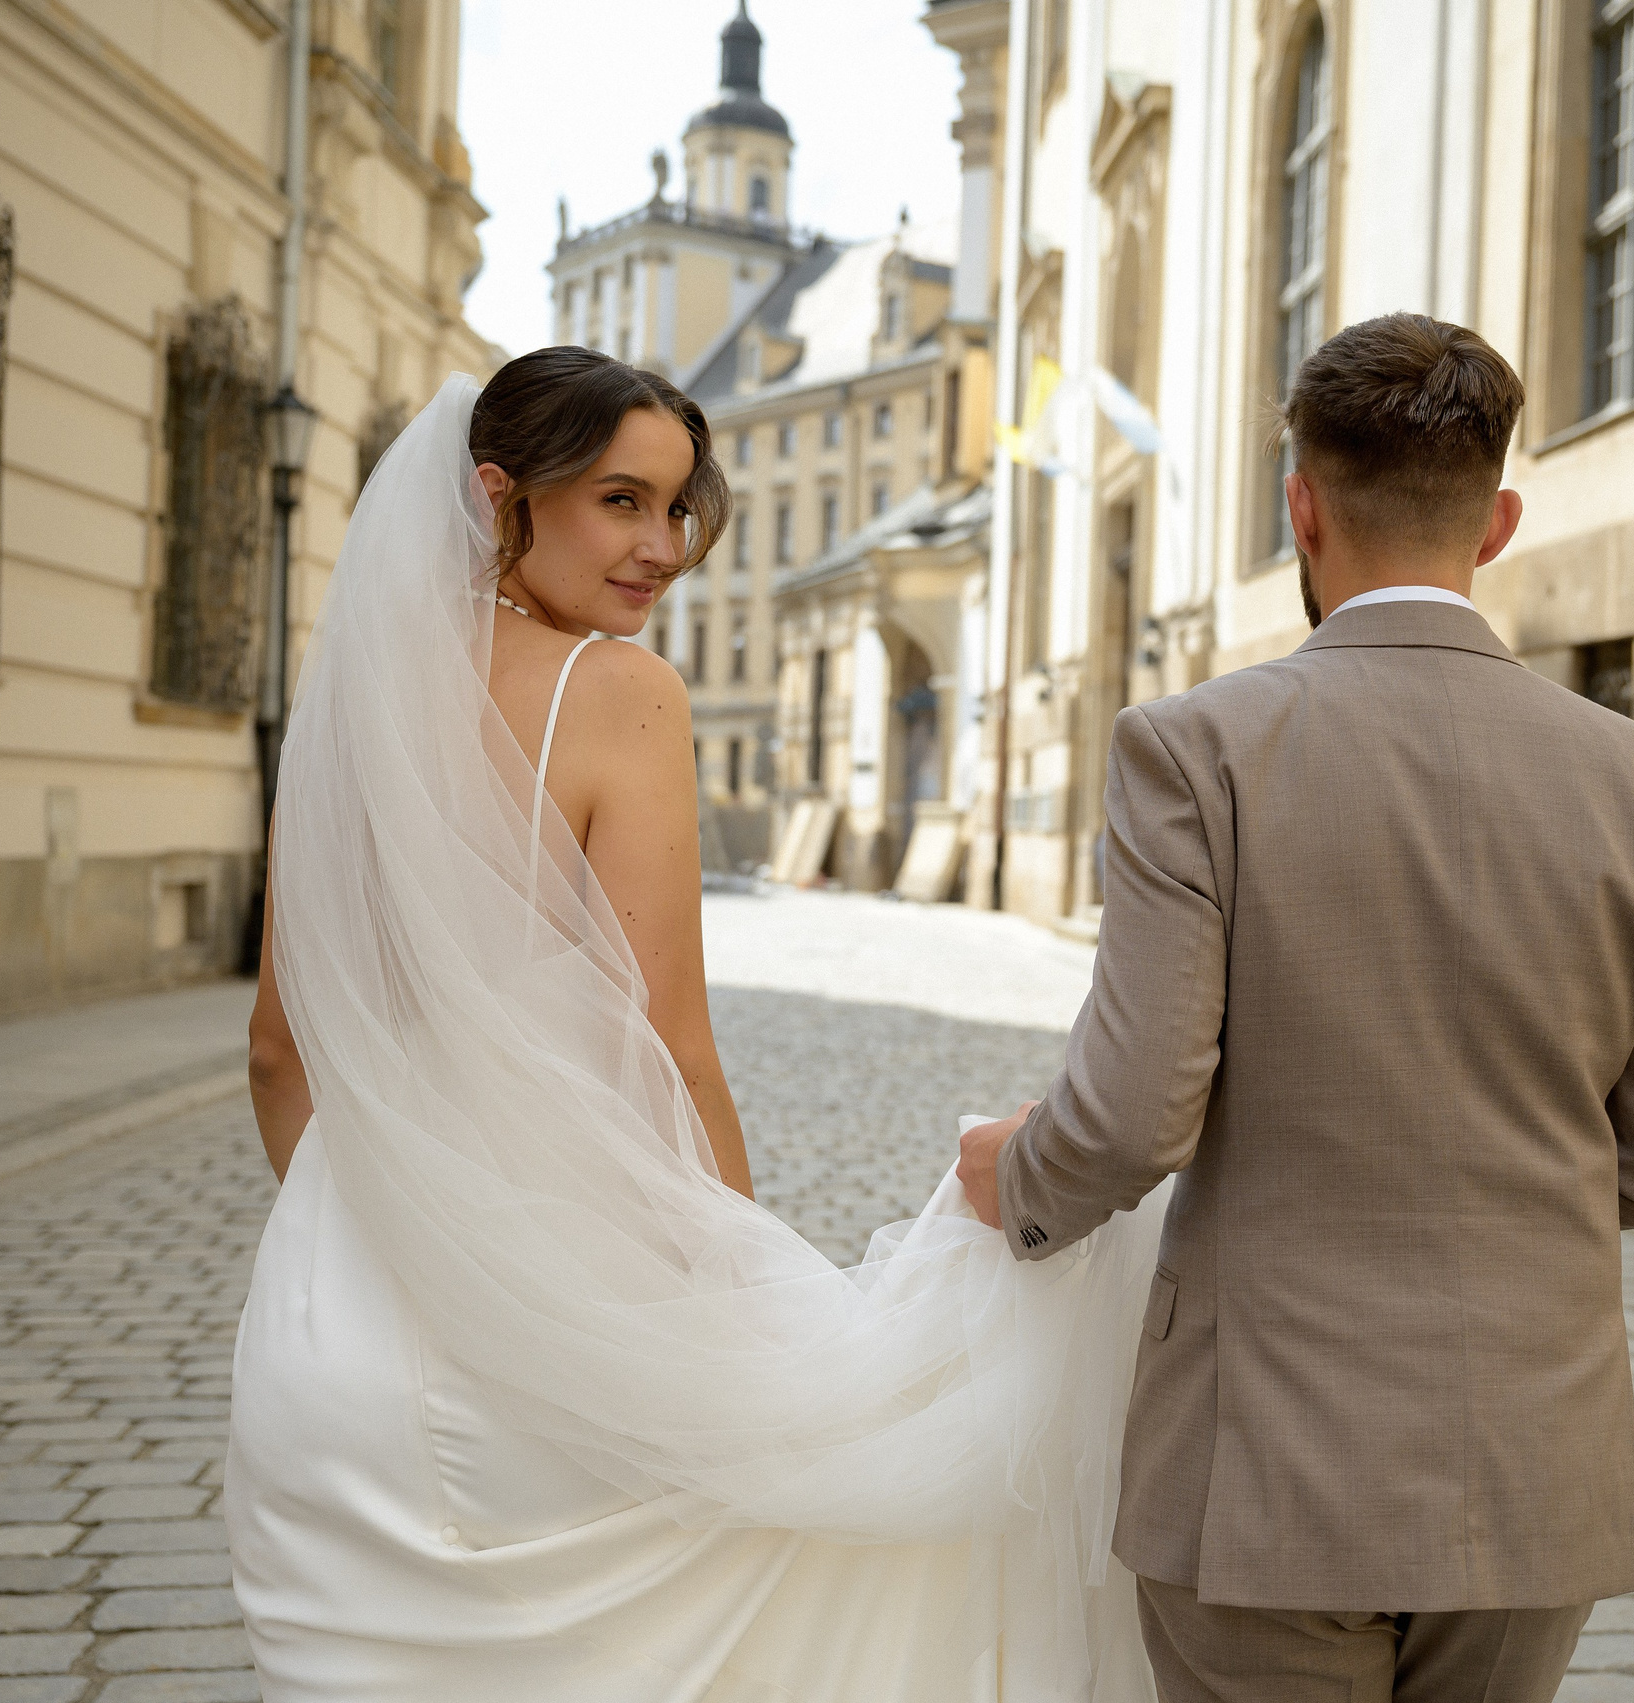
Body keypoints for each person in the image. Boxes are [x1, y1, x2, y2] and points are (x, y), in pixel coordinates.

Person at [227, 349, 1165, 1702]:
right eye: (621, 501)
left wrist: (377, 1228)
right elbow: (671, 1044)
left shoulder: (347, 707)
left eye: (676, 508)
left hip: (322, 1339)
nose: (663, 548)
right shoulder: (620, 693)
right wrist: (737, 1285)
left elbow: (276, 1043)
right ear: (502, 497)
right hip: (551, 1320)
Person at [959, 313, 1634, 1703]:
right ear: (1495, 525)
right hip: (1531, 1465)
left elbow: (1133, 1115)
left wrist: (1016, 1176)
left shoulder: (1196, 750)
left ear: (1300, 506)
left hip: (1265, 1464)